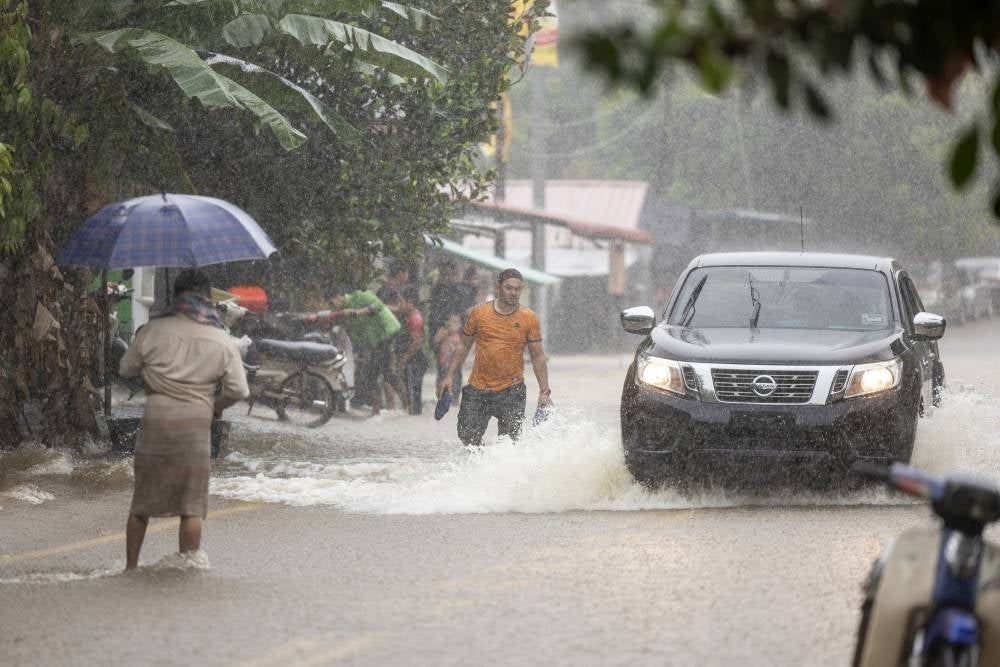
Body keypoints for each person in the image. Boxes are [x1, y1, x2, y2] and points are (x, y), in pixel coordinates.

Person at [118, 269, 249, 571]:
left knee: (141, 505)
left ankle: (130, 568)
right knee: (190, 508)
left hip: (156, 419)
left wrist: (155, 375)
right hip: (195, 424)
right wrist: (216, 405)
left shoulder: (153, 330)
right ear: (207, 297)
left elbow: (126, 369)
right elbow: (239, 390)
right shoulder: (220, 338)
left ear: (176, 294)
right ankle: (187, 571)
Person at [436, 268, 554, 446]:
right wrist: (449, 377)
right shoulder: (479, 314)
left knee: (508, 444)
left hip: (512, 390)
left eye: (517, 289)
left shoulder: (529, 318)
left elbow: (538, 356)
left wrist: (544, 391)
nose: (513, 292)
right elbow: (464, 345)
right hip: (478, 388)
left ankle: (499, 469)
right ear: (498, 287)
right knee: (467, 436)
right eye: (508, 288)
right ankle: (483, 467)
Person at [325, 284, 400, 416]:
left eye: (332, 303)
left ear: (338, 296)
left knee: (385, 373)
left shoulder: (360, 295)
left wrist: (356, 312)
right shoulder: (343, 315)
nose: (333, 307)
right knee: (372, 375)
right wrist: (355, 355)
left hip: (387, 332)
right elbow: (355, 335)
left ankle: (402, 407)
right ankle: (379, 412)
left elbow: (378, 305)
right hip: (374, 340)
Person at [389, 285, 429, 415]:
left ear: (410, 303)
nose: (399, 305)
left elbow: (416, 343)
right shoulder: (408, 313)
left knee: (413, 396)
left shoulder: (414, 319)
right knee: (412, 394)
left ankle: (415, 419)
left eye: (401, 302)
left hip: (415, 361)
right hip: (413, 361)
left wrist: (403, 360)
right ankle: (413, 417)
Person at [433, 312, 464, 400]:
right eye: (452, 322)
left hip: (456, 364)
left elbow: (464, 348)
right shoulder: (443, 331)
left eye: (457, 322)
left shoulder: (461, 335)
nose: (455, 325)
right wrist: (447, 332)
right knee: (442, 379)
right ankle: (441, 397)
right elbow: (436, 340)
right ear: (447, 323)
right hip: (443, 362)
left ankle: (454, 398)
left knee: (456, 380)